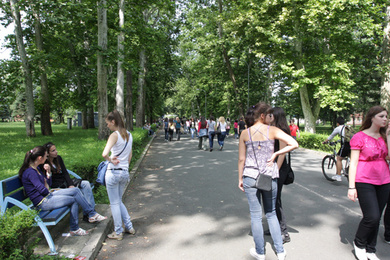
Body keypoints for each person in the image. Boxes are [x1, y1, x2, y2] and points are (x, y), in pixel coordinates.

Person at [238, 102, 298, 260]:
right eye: (269, 114)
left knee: (255, 215)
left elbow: (241, 159)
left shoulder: (245, 133)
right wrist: (276, 153)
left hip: (250, 176)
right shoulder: (273, 131)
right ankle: (280, 251)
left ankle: (260, 252)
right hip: (269, 176)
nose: (271, 117)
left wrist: (240, 178)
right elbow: (294, 143)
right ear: (263, 115)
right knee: (271, 213)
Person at [19, 146, 106, 236]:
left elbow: (47, 184)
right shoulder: (30, 172)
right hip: (42, 202)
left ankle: (91, 214)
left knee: (75, 190)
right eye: (45, 156)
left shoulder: (36, 169)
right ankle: (75, 227)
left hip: (47, 195)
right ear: (40, 158)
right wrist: (47, 187)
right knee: (73, 199)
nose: (46, 158)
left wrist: (48, 173)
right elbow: (43, 190)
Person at [347, 106, 390, 260]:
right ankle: (359, 243)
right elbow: (353, 163)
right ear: (372, 117)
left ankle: (371, 249)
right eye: (381, 116)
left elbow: (389, 157)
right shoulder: (359, 137)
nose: (385, 119)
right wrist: (351, 187)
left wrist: (389, 136)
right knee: (371, 216)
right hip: (364, 180)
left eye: (386, 116)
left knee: (377, 218)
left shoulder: (384, 136)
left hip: (385, 180)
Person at [103, 110, 136, 240]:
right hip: (124, 172)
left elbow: (104, 154)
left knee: (114, 203)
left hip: (113, 172)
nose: (107, 126)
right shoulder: (129, 135)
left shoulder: (114, 135)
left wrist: (112, 160)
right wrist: (124, 166)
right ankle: (129, 226)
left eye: (107, 123)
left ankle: (118, 232)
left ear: (113, 121)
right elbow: (130, 155)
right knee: (119, 201)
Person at [44, 142, 96, 222]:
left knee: (86, 184)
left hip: (66, 182)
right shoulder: (45, 164)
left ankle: (88, 214)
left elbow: (65, 172)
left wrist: (70, 184)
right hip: (58, 187)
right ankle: (91, 214)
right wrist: (48, 171)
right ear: (47, 153)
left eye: (56, 149)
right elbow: (49, 182)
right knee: (77, 192)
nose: (56, 152)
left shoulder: (58, 158)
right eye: (53, 151)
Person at [266, 107, 292, 243]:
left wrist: (275, 170)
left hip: (279, 169)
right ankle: (274, 228)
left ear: (275, 116)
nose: (267, 117)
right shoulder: (273, 129)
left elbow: (282, 154)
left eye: (269, 115)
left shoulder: (281, 131)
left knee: (276, 200)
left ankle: (283, 232)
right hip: (275, 167)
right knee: (272, 199)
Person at [322, 117, 351, 181]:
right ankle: (350, 171)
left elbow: (331, 136)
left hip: (346, 145)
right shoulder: (348, 127)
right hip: (353, 144)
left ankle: (338, 176)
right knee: (352, 159)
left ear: (338, 123)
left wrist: (325, 141)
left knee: (339, 158)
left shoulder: (338, 128)